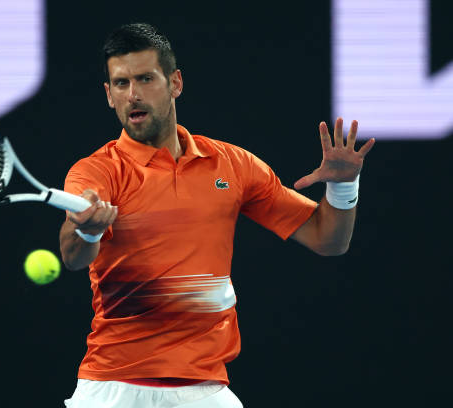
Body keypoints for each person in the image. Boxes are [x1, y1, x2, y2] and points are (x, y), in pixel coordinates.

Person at [59, 23, 375, 408]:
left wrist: (343, 188)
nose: (134, 95)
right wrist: (88, 232)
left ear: (175, 83)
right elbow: (74, 255)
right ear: (109, 95)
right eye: (121, 84)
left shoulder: (234, 165)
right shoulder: (96, 172)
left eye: (145, 79)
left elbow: (329, 239)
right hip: (114, 388)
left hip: (204, 390)